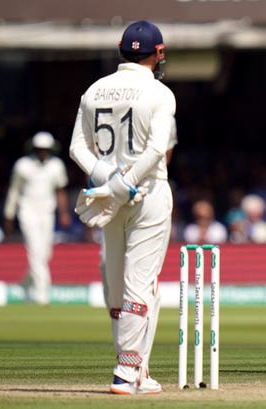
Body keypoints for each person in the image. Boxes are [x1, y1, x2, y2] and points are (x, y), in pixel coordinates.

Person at [69, 20, 176, 395]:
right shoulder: (160, 93)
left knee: (118, 282)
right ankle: (126, 369)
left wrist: (108, 179)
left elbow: (77, 149)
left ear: (120, 49)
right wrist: (125, 183)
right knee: (138, 283)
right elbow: (156, 150)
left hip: (108, 196)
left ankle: (139, 371)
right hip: (146, 192)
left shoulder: (93, 90)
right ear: (158, 53)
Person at [3, 131, 71, 304]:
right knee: (35, 251)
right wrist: (9, 214)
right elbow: (14, 190)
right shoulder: (23, 165)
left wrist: (64, 213)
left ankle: (25, 284)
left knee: (45, 254)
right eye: (40, 149)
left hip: (47, 212)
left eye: (45, 149)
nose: (42, 152)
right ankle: (42, 294)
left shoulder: (56, 165)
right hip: (27, 211)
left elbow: (60, 190)